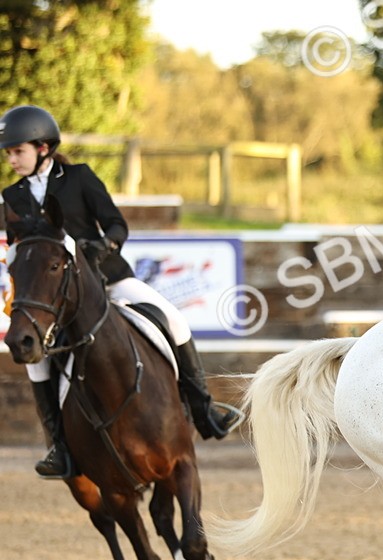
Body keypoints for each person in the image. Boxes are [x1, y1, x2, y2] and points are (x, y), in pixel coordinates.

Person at [1, 105, 238, 479]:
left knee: (174, 320)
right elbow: (18, 247)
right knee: (39, 364)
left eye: (18, 151)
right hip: (60, 300)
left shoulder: (78, 178)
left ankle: (204, 408)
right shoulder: (11, 196)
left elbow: (115, 224)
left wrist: (101, 248)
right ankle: (59, 447)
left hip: (107, 279)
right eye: (9, 153)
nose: (12, 159)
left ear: (43, 147)